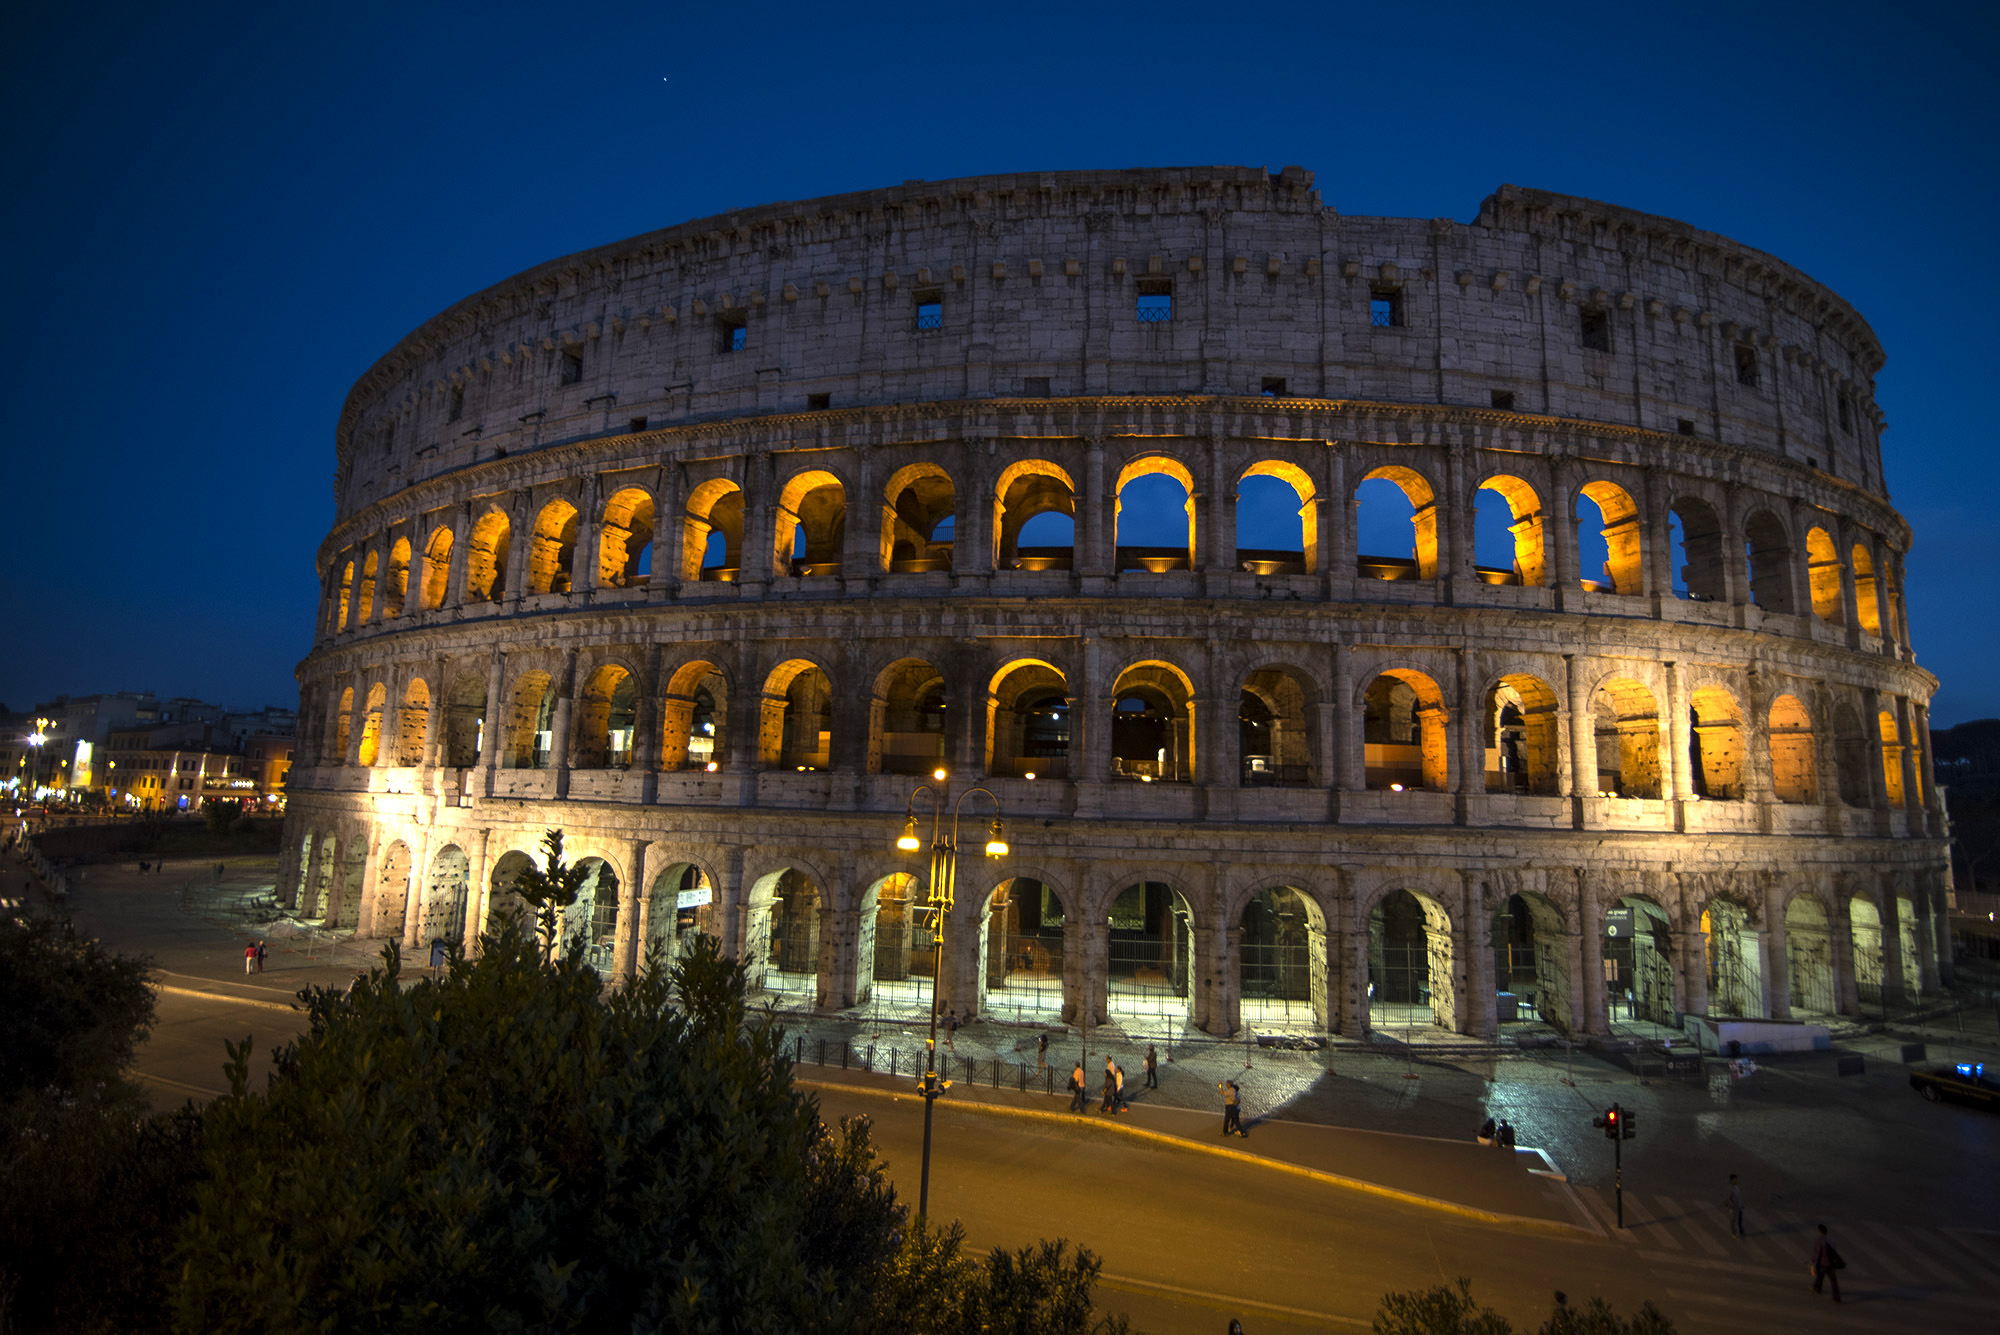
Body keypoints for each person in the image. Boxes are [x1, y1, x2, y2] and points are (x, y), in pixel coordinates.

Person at [1810, 1224, 1843, 1302]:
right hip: (1831, 1263)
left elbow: (1817, 1252)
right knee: (1833, 1280)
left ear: (1819, 1231)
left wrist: (1812, 1260)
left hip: (1823, 1262)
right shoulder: (1831, 1240)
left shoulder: (1818, 1239)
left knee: (1820, 1275)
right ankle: (1836, 1297)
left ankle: (1817, 1288)